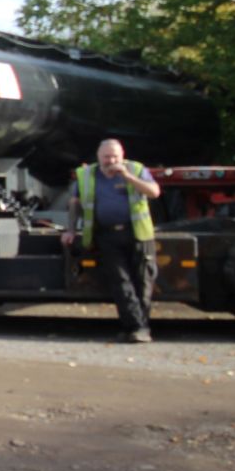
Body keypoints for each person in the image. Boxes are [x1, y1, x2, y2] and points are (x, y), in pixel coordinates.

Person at [64, 138, 161, 342]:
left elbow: (154, 192)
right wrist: (70, 229)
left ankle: (136, 328)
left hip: (138, 234)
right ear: (99, 157)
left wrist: (127, 176)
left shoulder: (135, 169)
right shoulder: (87, 175)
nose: (111, 160)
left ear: (122, 156)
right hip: (106, 235)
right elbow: (74, 203)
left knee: (143, 282)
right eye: (107, 156)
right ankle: (137, 328)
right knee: (120, 282)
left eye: (115, 156)